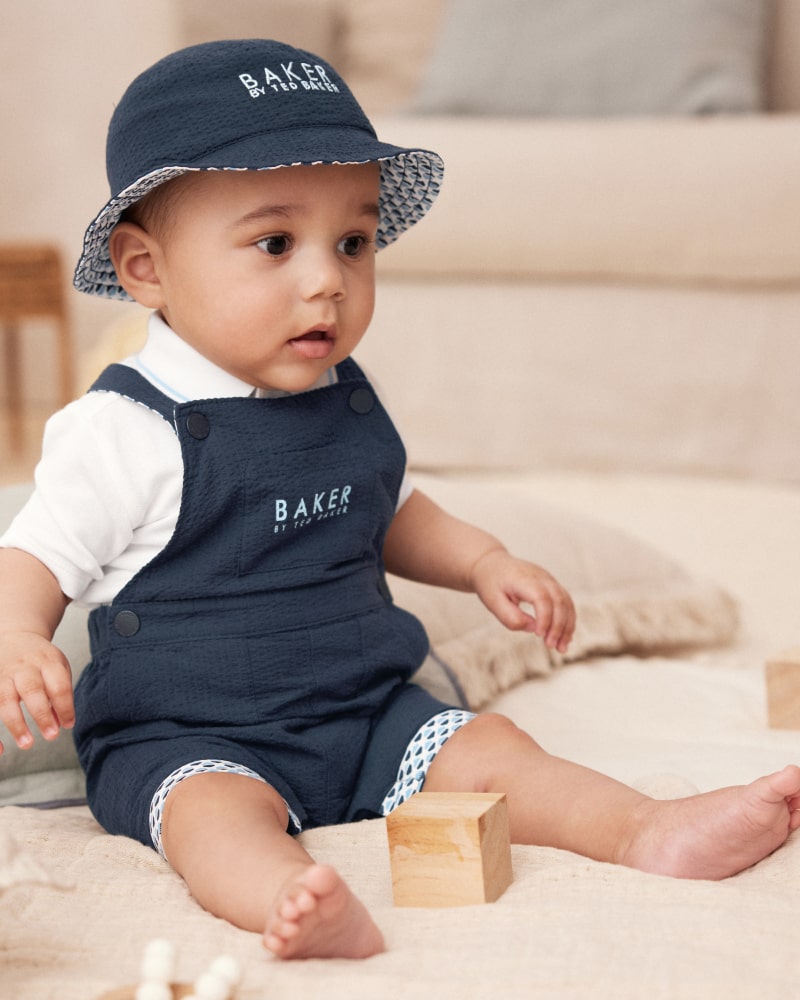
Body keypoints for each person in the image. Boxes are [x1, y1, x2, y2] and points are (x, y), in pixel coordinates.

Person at [1, 39, 799, 962]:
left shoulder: (342, 392)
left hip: (369, 711)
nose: (327, 280)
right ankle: (287, 896)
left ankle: (644, 829)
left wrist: (484, 562)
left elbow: (392, 510)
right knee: (209, 817)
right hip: (188, 733)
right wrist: (20, 635)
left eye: (353, 242)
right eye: (275, 244)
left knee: (494, 749)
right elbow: (38, 550)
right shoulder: (121, 428)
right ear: (146, 269)